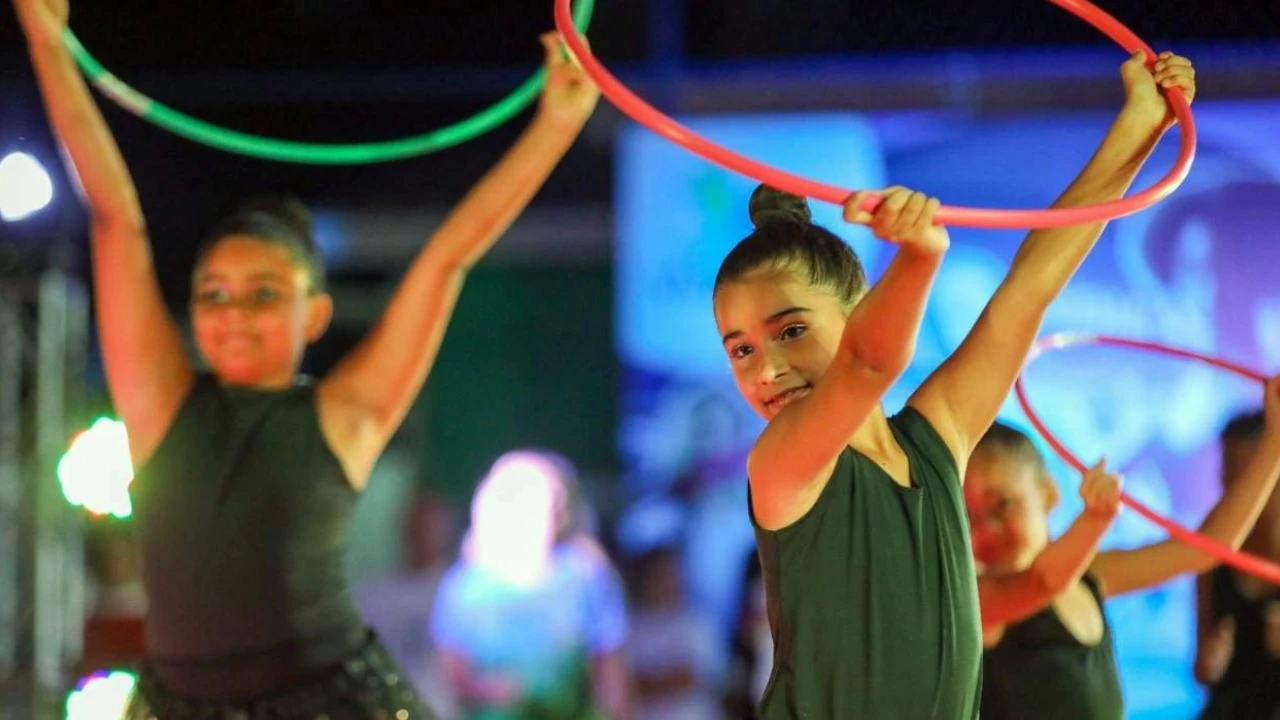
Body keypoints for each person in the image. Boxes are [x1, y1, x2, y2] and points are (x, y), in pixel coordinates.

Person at [13, 0, 600, 713]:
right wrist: (46, 39)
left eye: (263, 295)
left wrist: (556, 125)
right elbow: (116, 219)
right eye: (214, 294)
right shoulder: (161, 403)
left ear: (314, 314)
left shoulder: (345, 415)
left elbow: (447, 259)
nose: (233, 315)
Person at [709, 51, 1195, 718]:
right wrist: (918, 255)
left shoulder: (934, 441)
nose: (765, 369)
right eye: (739, 349)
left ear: (856, 313)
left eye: (791, 331)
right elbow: (865, 366)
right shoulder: (782, 466)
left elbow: (1030, 288)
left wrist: (1142, 120)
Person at [970, 387, 1280, 720]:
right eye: (967, 516)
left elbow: (1208, 547)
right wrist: (1093, 522)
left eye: (1002, 505)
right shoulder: (979, 599)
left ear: (1048, 493)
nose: (985, 530)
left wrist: (1275, 442)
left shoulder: (1091, 576)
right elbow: (1044, 581)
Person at [431, 451, 630, 720]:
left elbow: (612, 680)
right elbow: (453, 678)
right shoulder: (463, 588)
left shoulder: (586, 577)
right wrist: (499, 692)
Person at [1196, 411, 1280, 719]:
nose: (1231, 487)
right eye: (1225, 471)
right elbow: (1201, 669)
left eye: (1243, 474)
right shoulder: (1208, 549)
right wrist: (1209, 663)